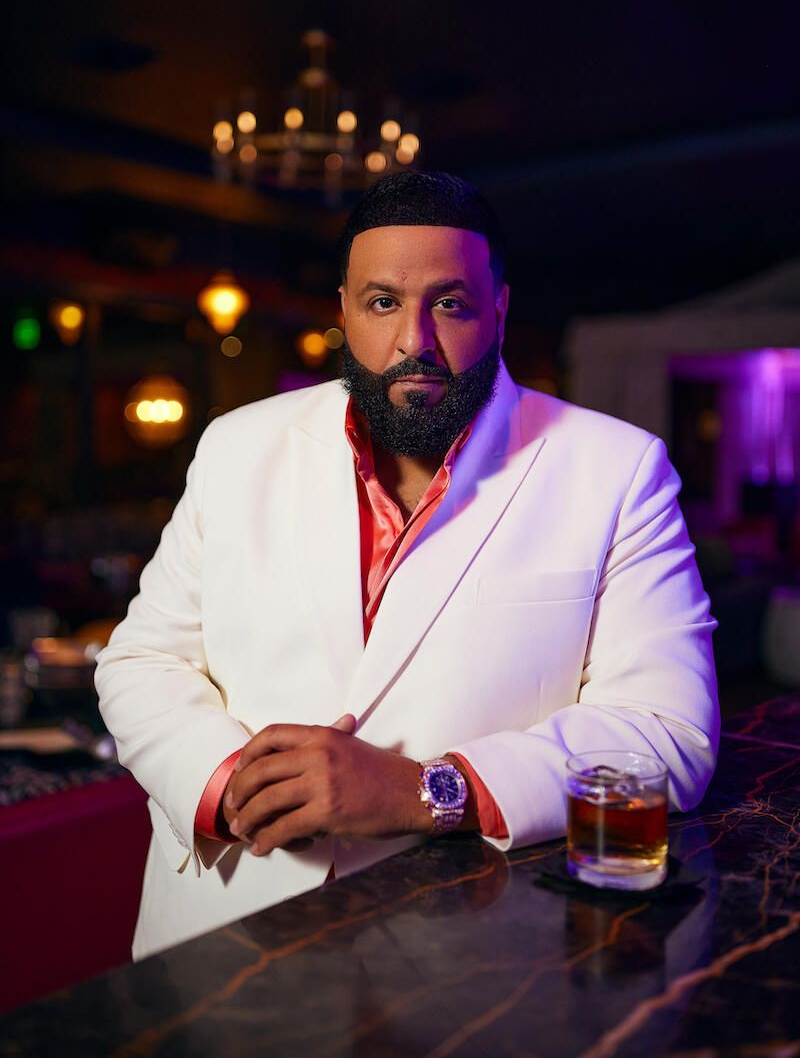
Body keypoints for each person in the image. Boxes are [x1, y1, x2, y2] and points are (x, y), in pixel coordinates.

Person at [96, 171, 719, 959]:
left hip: (467, 950)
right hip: (222, 931)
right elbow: (142, 658)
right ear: (344, 311)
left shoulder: (617, 468)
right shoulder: (236, 445)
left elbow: (667, 732)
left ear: (498, 310)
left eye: (450, 304)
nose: (413, 341)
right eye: (383, 301)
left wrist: (423, 790)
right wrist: (226, 785)